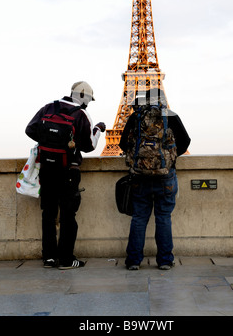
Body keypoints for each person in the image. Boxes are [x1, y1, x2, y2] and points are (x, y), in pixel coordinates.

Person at [25, 81, 105, 269]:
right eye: (89, 99)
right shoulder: (81, 114)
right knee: (68, 216)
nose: (89, 103)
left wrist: (49, 142)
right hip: (68, 171)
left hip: (46, 169)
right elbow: (89, 146)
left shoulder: (48, 107)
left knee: (48, 214)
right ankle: (67, 260)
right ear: (83, 96)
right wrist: (98, 130)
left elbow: (30, 129)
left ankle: (49, 258)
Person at [119, 88, 190, 271]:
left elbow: (122, 143)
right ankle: (165, 260)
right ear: (162, 99)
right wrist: (169, 159)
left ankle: (134, 261)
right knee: (164, 218)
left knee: (139, 218)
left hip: (139, 176)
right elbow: (185, 141)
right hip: (165, 176)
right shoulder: (170, 115)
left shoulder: (136, 116)